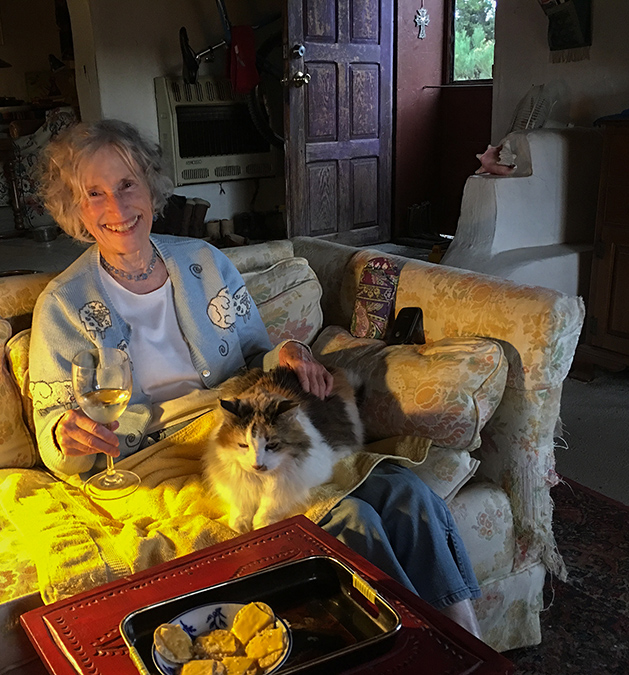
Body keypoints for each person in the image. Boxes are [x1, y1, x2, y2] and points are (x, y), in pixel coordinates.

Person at [28, 119, 482, 638]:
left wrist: (288, 351)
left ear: (150, 186)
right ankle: (417, 651)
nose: (117, 207)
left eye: (127, 184)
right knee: (351, 519)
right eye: (95, 193)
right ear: (76, 208)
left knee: (403, 489)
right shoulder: (62, 305)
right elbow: (54, 428)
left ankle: (467, 643)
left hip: (248, 426)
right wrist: (66, 433)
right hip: (163, 458)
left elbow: (259, 355)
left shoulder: (204, 261)